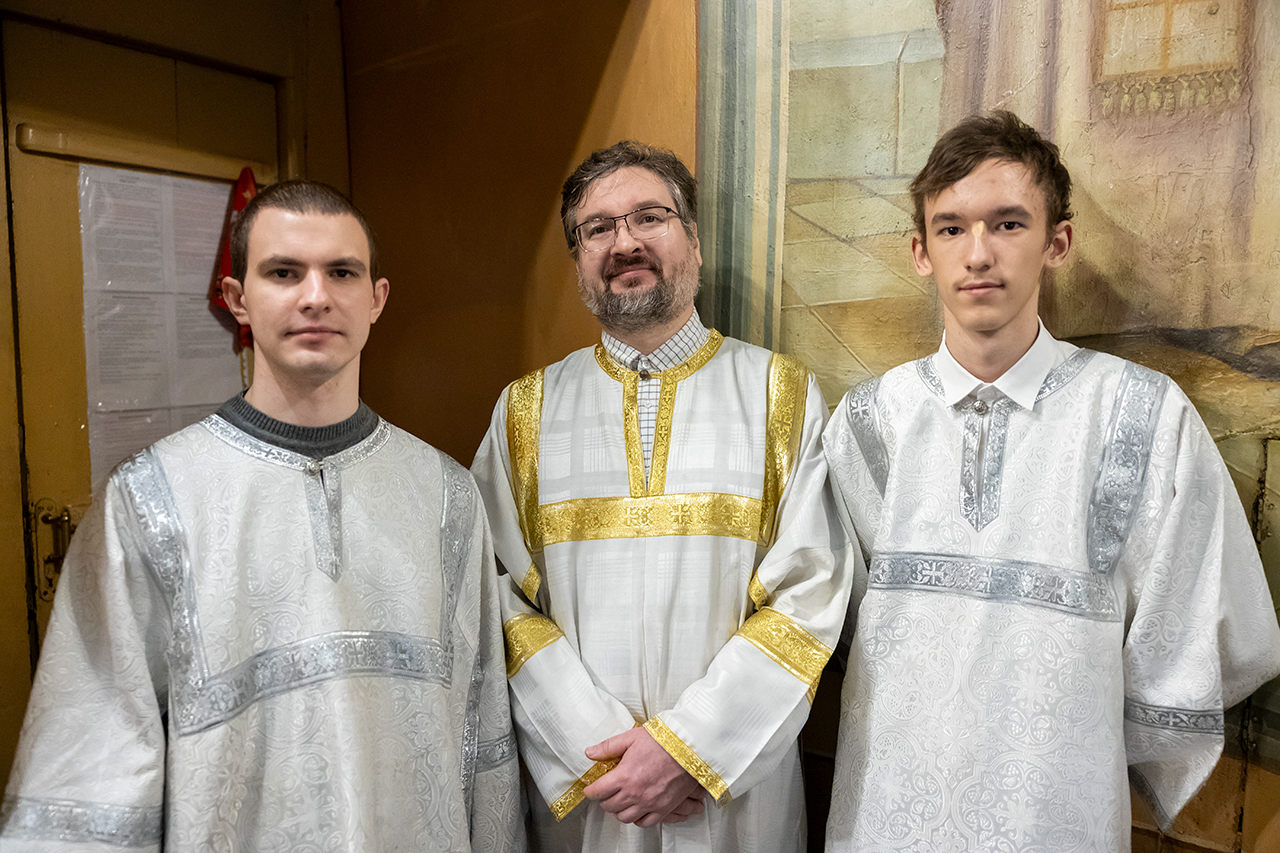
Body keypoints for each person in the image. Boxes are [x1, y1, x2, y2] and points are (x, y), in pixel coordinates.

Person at [0, 181, 524, 852]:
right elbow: (94, 756)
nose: (316, 296)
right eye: (283, 272)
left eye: (342, 272)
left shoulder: (447, 494)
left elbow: (482, 723)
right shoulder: (150, 500)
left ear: (376, 299)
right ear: (237, 298)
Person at [822, 110, 1280, 852]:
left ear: (1056, 242)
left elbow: (1205, 619)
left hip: (1057, 803)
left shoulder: (1142, 414)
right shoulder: (869, 421)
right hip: (889, 800)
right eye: (950, 228)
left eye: (1008, 224)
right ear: (920, 252)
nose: (978, 254)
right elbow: (827, 618)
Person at [471, 141, 854, 852]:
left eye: (650, 217)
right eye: (597, 228)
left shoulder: (780, 394)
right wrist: (606, 753)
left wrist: (689, 749)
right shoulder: (525, 412)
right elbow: (496, 596)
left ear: (694, 241)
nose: (625, 243)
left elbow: (811, 591)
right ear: (578, 259)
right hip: (595, 791)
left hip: (731, 795)